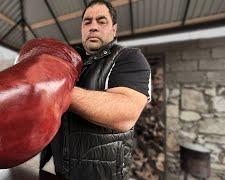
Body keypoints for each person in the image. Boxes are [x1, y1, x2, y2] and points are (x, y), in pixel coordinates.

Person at [40, 1, 151, 179]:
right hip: (60, 172)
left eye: (101, 21)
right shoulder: (68, 59)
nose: (93, 27)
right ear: (82, 28)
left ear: (114, 29)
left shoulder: (129, 58)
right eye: (87, 22)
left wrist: (53, 89)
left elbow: (125, 113)